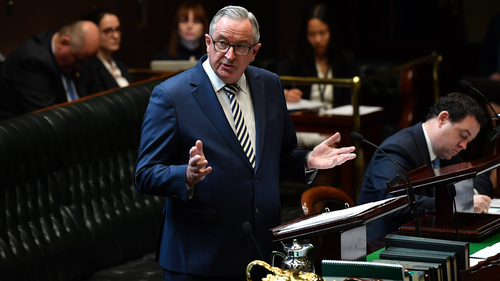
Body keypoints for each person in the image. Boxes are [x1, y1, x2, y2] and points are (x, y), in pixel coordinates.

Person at [135, 5, 356, 280]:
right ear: (208, 42)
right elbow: (145, 174)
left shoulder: (270, 85)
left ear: (255, 51)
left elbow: (280, 156)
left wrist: (307, 160)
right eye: (222, 43)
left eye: (240, 47)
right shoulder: (171, 96)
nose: (229, 55)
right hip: (199, 260)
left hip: (260, 250)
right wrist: (187, 176)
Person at [358, 92, 493, 243]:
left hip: (424, 236)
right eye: (463, 135)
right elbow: (395, 204)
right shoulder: (397, 149)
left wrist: (470, 198)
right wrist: (458, 204)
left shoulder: (445, 150)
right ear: (443, 119)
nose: (464, 146)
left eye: (470, 140)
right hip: (382, 244)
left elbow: (480, 177)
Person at [276, 3, 360, 149]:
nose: (318, 40)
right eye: (312, 34)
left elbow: (350, 101)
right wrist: (286, 93)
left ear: (331, 31)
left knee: (332, 145)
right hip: (305, 125)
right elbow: (274, 83)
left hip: (336, 124)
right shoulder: (296, 58)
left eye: (322, 33)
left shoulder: (346, 59)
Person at [0, 20, 100, 121]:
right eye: (78, 59)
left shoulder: (77, 51)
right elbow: (50, 117)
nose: (80, 66)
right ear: (64, 43)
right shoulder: (31, 61)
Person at [81, 6, 133, 93]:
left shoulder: (120, 64)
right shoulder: (89, 69)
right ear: (93, 33)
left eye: (118, 29)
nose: (116, 36)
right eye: (108, 31)